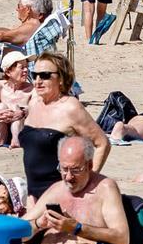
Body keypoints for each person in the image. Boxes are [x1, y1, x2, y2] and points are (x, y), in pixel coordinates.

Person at [15, 52, 110, 199]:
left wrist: (89, 182)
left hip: (62, 194)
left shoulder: (70, 107)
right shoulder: (34, 103)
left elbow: (102, 144)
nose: (38, 81)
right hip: (33, 193)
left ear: (61, 78)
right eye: (35, 75)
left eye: (45, 75)